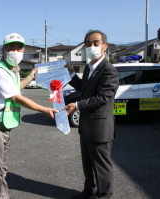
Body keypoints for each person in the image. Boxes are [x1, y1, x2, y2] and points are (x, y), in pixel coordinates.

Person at [0, 33, 58, 199]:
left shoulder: (12, 71)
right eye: (10, 48)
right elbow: (15, 97)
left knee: (1, 167)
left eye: (18, 48)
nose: (15, 51)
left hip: (2, 124)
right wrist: (43, 109)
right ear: (3, 50)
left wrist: (30, 76)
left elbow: (15, 89)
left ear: (23, 50)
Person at [63, 30, 119, 199]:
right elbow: (85, 90)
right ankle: (89, 191)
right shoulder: (89, 68)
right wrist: (72, 74)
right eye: (88, 44)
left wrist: (77, 104)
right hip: (86, 125)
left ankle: (104, 196)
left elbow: (102, 98)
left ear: (105, 46)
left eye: (96, 43)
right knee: (87, 163)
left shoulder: (109, 70)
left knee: (101, 165)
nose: (92, 47)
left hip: (100, 127)